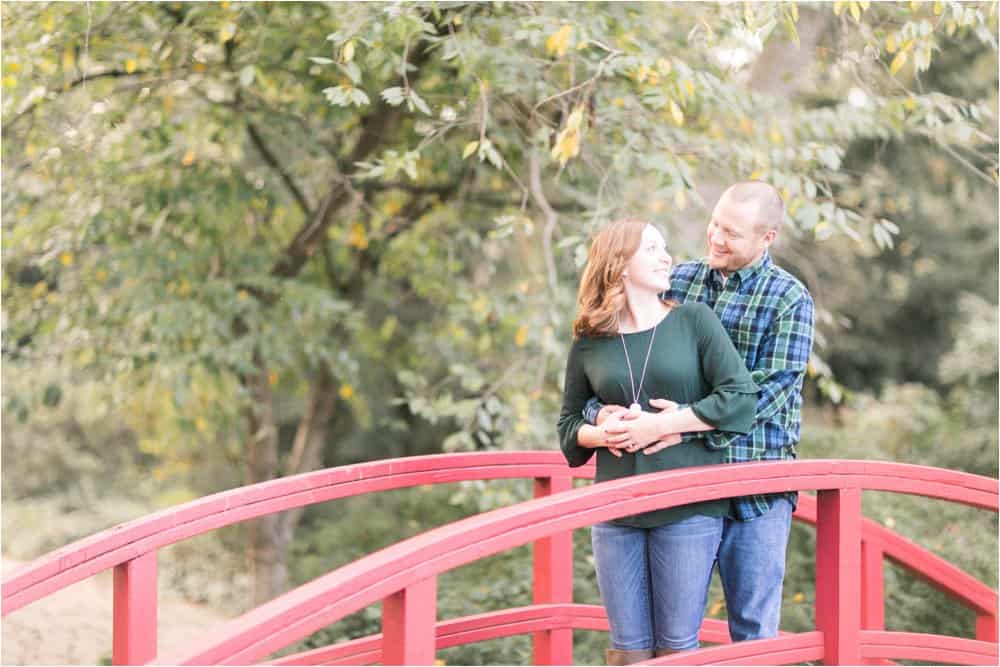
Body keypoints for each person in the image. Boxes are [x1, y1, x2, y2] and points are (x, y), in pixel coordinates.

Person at [583, 181, 815, 650]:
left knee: (752, 633)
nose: (716, 237)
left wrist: (674, 423)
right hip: (679, 486)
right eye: (715, 223)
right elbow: (620, 362)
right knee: (663, 638)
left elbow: (763, 397)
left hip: (755, 491)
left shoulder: (789, 299)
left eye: (731, 232)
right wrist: (602, 411)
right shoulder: (680, 283)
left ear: (766, 238)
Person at [556, 218, 759, 665]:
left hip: (687, 507)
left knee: (676, 648)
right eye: (652, 248)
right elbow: (569, 428)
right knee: (627, 650)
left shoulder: (693, 321)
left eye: (665, 246)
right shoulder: (591, 340)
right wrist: (603, 431)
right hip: (615, 511)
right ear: (620, 264)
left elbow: (741, 400)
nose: (667, 256)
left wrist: (664, 425)